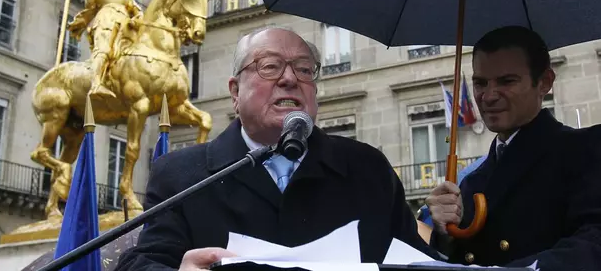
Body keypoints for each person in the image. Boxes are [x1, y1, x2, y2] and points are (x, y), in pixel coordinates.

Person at [115, 26, 436, 270]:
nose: (290, 79)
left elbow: (415, 259)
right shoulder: (181, 175)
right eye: (270, 66)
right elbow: (145, 260)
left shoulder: (368, 168)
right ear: (235, 91)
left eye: (304, 69)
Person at [425, 26, 601, 270]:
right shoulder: (471, 182)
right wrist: (446, 235)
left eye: (506, 81)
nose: (488, 96)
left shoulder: (586, 151)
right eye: (480, 83)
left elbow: (593, 244)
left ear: (544, 82)